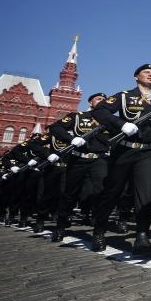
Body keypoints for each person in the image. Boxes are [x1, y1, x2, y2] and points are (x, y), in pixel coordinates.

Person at [91, 64, 151, 253]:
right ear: (136, 77)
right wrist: (120, 124)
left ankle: (142, 235)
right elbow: (99, 111)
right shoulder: (124, 96)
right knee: (113, 191)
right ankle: (99, 230)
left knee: (146, 193)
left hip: (148, 152)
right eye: (146, 72)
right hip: (124, 150)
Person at [49, 92, 110, 241]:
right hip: (78, 159)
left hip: (99, 160)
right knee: (70, 194)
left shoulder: (109, 120)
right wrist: (71, 139)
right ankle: (60, 226)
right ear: (90, 103)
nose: (102, 101)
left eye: (104, 100)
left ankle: (99, 232)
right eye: (98, 99)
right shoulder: (77, 116)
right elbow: (55, 127)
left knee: (102, 193)